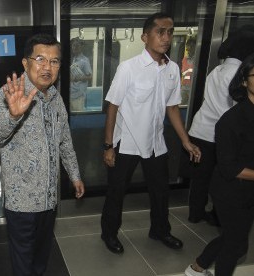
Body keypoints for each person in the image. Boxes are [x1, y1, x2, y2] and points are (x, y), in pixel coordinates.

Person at [0, 33, 85, 276]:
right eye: (40, 59)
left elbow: (64, 142)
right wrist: (13, 116)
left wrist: (75, 175)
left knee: (42, 255)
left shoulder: (56, 98)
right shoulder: (11, 92)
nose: (47, 67)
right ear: (25, 62)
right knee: (23, 261)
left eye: (54, 61)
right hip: (22, 202)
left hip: (49, 198)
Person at [100, 12, 201, 254]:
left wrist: (186, 141)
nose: (166, 37)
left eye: (169, 32)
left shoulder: (173, 69)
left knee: (160, 191)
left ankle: (160, 230)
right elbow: (112, 107)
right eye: (160, 32)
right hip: (126, 143)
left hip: (156, 143)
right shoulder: (128, 68)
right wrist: (108, 145)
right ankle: (109, 234)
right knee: (116, 192)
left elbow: (172, 108)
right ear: (146, 37)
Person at [184, 53, 254, 276]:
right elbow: (229, 168)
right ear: (244, 81)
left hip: (250, 189)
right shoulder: (231, 120)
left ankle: (197, 267)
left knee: (236, 241)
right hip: (229, 191)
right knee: (234, 245)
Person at [185, 30, 254, 226]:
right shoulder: (240, 74)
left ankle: (195, 213)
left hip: (201, 130)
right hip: (221, 134)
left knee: (201, 178)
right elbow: (238, 109)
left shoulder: (217, 70)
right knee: (223, 178)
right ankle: (218, 215)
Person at [70, 37, 92, 112]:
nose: (74, 47)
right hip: (71, 94)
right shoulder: (74, 59)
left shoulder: (84, 61)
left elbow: (90, 77)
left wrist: (76, 79)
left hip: (78, 95)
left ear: (81, 47)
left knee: (77, 119)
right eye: (73, 45)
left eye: (77, 45)